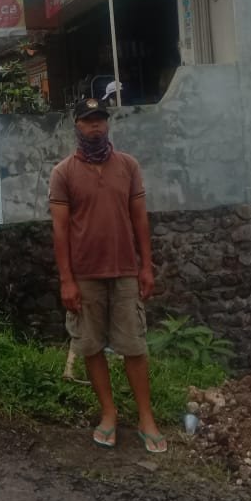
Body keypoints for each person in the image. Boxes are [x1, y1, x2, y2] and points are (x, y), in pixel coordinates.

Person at [48, 97, 166, 453]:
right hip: (84, 274)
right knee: (91, 345)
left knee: (134, 346)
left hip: (126, 271)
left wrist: (146, 266)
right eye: (88, 121)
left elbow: (140, 219)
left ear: (107, 124)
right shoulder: (63, 173)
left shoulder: (128, 166)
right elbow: (60, 231)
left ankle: (146, 417)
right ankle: (109, 414)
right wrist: (66, 279)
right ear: (77, 126)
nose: (96, 126)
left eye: (100, 119)